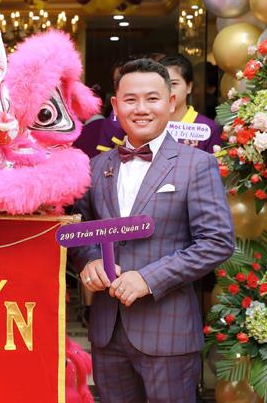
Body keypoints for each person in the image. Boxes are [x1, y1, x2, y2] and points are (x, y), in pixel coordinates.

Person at [72, 58, 234, 403]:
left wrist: (149, 278)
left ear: (171, 102)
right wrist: (89, 261)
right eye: (130, 99)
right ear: (115, 105)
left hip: (168, 330)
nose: (141, 109)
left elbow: (217, 241)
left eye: (152, 98)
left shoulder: (197, 164)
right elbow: (81, 230)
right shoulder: (97, 166)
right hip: (107, 331)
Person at [160, 54, 222, 153]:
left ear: (189, 87)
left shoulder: (208, 129)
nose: (167, 90)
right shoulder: (147, 123)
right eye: (162, 84)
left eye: (173, 84)